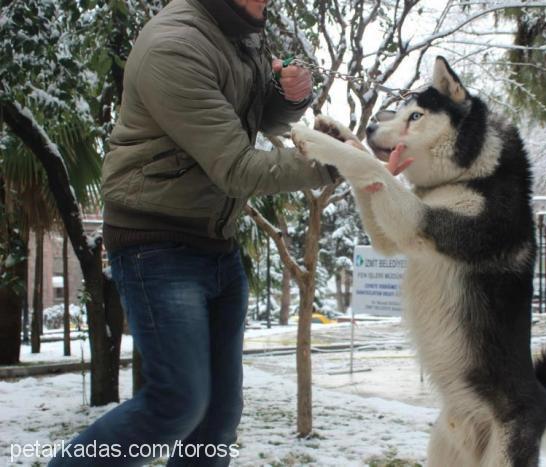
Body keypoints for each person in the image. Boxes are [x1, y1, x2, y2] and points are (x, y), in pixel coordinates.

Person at [49, 0, 337, 465]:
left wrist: (288, 97)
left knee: (219, 416)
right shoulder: (175, 46)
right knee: (176, 404)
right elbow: (239, 169)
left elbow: (256, 116)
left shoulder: (240, 31)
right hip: (156, 245)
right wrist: (334, 161)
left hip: (216, 242)